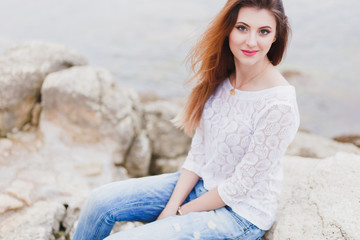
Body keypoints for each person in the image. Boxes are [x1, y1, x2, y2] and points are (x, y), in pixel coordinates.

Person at [73, 0, 300, 239]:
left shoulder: (279, 104)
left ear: (275, 36)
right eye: (242, 28)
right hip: (201, 186)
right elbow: (200, 153)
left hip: (239, 214)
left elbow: (241, 185)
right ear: (228, 29)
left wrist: (181, 213)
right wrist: (171, 206)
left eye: (264, 31)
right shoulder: (222, 78)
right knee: (99, 202)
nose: (251, 41)